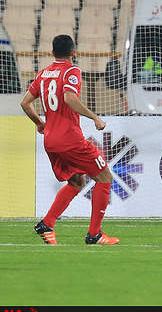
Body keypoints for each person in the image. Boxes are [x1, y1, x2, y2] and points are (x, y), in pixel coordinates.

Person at [20, 34, 119, 245]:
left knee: (77, 181)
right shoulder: (72, 71)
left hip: (50, 141)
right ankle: (95, 234)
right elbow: (69, 98)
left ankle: (47, 224)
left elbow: (25, 103)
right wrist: (95, 117)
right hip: (70, 140)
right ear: (73, 52)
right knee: (104, 177)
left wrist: (39, 123)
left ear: (52, 52)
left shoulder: (43, 74)